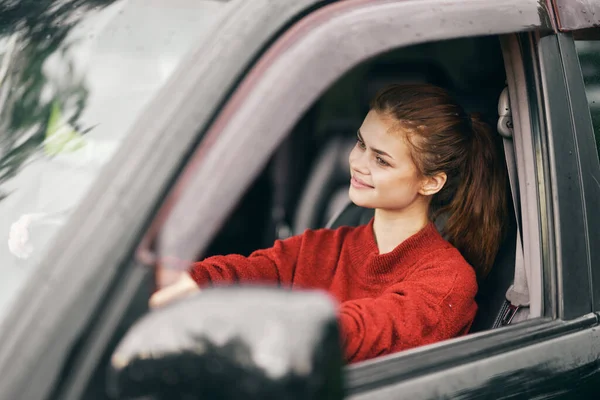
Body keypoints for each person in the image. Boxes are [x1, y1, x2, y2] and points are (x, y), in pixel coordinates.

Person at [149, 83, 507, 364]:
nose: (358, 162)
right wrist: (176, 284)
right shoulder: (324, 245)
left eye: (381, 160)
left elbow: (361, 330)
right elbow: (248, 270)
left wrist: (246, 324)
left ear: (431, 182)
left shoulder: (447, 281)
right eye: (360, 143)